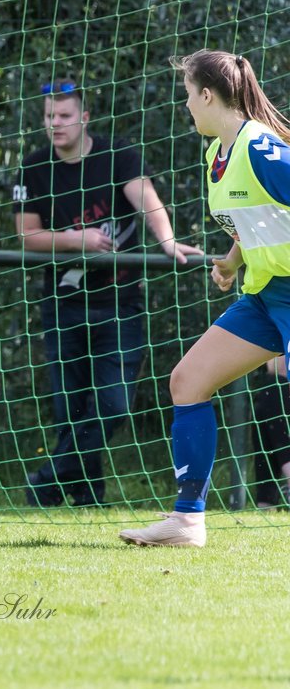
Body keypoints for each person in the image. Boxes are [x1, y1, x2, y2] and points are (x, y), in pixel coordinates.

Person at [119, 49, 290, 548]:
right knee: (188, 380)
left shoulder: (259, 146)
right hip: (264, 294)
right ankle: (187, 522)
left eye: (188, 96)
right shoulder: (218, 152)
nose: (186, 106)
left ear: (208, 95)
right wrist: (235, 260)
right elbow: (260, 216)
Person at [14, 78, 201, 507]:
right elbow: (27, 236)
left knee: (114, 404)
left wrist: (168, 242)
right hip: (61, 306)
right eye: (49, 116)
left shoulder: (118, 156)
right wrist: (75, 239)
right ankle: (85, 495)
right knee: (69, 410)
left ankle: (46, 479)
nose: (55, 123)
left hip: (120, 305)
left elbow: (148, 201)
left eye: (63, 115)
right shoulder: (33, 166)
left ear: (84, 117)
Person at [249, 356, 290, 508]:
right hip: (273, 384)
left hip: (282, 384)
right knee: (264, 450)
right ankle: (265, 504)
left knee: (282, 441)